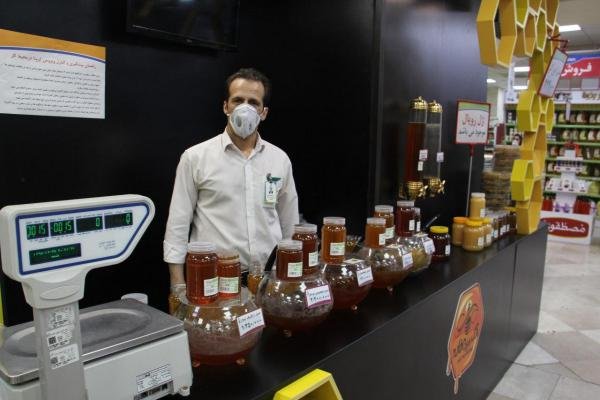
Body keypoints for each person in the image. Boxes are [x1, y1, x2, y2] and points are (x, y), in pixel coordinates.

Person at [163, 68, 299, 292]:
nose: (245, 108)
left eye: (253, 102)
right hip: (213, 281)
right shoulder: (195, 157)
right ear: (226, 106)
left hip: (269, 279)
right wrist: (178, 285)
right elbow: (178, 224)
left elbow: (289, 223)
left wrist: (290, 279)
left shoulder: (280, 159)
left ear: (264, 112)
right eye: (238, 100)